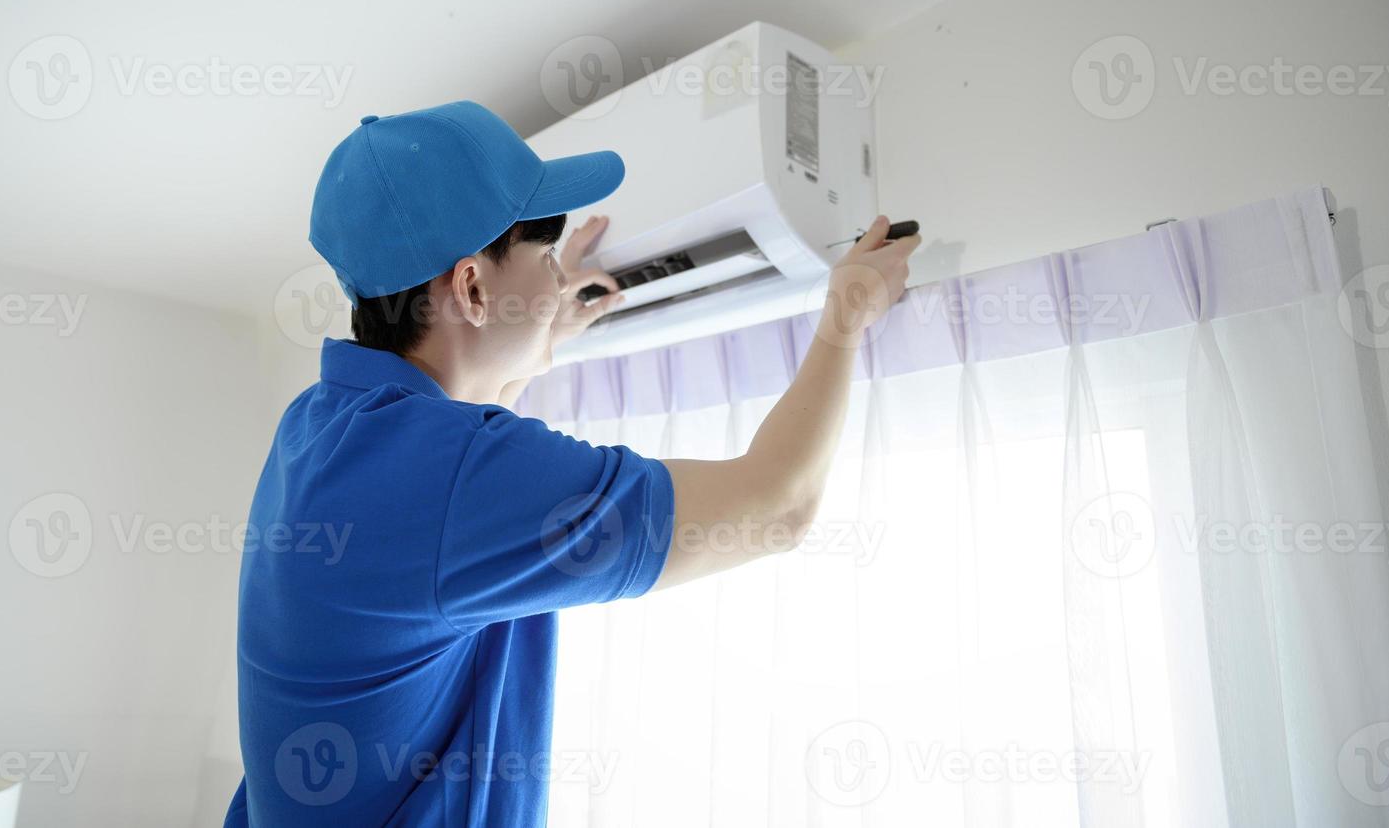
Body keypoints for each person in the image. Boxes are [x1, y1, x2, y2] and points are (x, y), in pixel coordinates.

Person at [224, 100, 919, 826]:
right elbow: (776, 509)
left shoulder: (323, 424)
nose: (559, 281)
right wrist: (845, 318)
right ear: (470, 288)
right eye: (546, 259)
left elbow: (449, 465)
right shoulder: (451, 475)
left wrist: (532, 324)